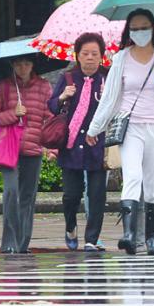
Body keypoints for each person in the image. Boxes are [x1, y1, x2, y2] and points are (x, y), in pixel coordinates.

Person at [87, 8, 154, 256]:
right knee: (132, 176)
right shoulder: (121, 58)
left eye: (144, 27)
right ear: (128, 31)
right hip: (131, 126)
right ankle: (129, 236)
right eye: (135, 28)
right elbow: (109, 97)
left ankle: (153, 239)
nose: (140, 32)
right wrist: (94, 128)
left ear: (153, 28)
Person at [48, 33, 108, 252]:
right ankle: (70, 226)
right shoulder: (68, 78)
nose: (90, 58)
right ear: (78, 56)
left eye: (95, 53)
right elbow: (52, 106)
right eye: (85, 54)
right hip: (71, 145)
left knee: (97, 195)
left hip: (98, 146)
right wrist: (63, 96)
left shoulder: (108, 79)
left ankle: (91, 239)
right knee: (70, 195)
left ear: (102, 56)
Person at [0, 56, 53, 254]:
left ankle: (22, 244)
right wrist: (13, 114)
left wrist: (52, 147)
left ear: (33, 65)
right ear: (12, 65)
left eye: (26, 64)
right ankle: (9, 241)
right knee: (11, 192)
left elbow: (51, 118)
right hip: (9, 150)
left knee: (27, 197)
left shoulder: (43, 86)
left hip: (33, 150)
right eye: (18, 64)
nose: (22, 68)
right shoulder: (3, 87)